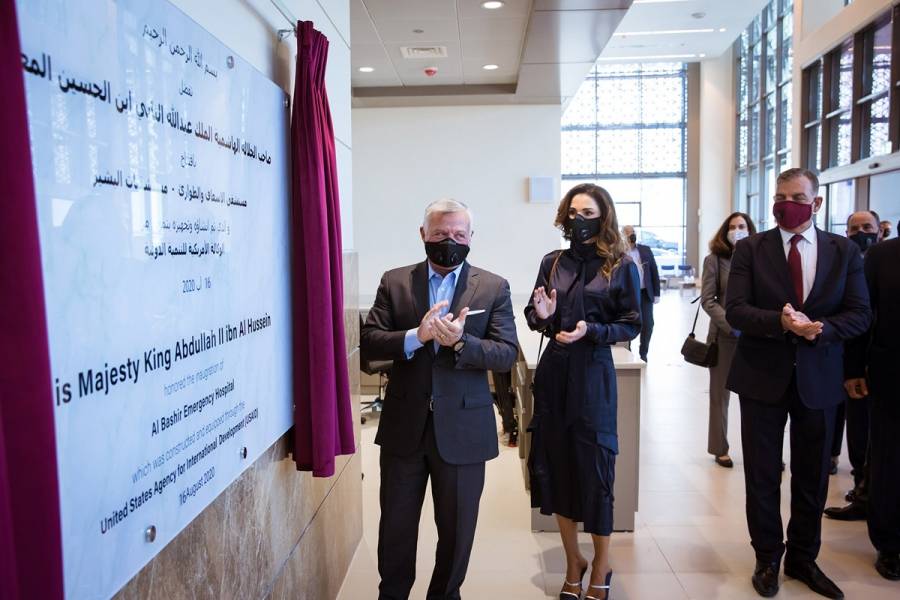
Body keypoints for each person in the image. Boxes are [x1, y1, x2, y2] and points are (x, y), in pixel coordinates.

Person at [361, 199, 518, 600]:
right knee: (395, 530)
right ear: (423, 235)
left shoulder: (493, 286)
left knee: (457, 532)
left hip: (464, 430)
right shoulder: (395, 281)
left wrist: (462, 342)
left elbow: (506, 353)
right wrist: (417, 336)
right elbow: (370, 343)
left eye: (458, 234)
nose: (450, 241)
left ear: (470, 237)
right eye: (440, 234)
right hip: (404, 429)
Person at [725, 168, 871, 599]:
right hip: (761, 377)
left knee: (813, 475)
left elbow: (860, 313)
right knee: (762, 474)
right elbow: (736, 309)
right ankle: (767, 556)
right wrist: (781, 322)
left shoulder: (843, 251)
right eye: (781, 197)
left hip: (819, 377)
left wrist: (819, 329)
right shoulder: (751, 248)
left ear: (817, 203)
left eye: (798, 197)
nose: (787, 205)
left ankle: (804, 558)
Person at [525, 183, 641, 600]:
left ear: (603, 216)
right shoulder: (552, 262)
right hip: (555, 373)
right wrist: (542, 316)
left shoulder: (620, 265)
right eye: (573, 212)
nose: (579, 219)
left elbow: (631, 323)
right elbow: (535, 315)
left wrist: (591, 330)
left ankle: (602, 564)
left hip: (593, 373)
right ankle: (574, 560)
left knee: (596, 470)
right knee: (556, 468)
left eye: (588, 213)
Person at [825, 210, 881, 511]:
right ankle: (861, 486)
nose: (861, 233)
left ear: (880, 230)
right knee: (853, 425)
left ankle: (873, 490)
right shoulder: (841, 262)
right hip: (844, 357)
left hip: (879, 360)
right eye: (855, 228)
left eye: (867, 227)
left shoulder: (884, 261)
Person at [853, 235, 900, 581]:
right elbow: (863, 316)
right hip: (892, 374)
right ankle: (890, 543)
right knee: (890, 460)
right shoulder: (883, 256)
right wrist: (854, 368)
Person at [701, 212, 756, 469]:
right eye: (732, 227)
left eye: (742, 226)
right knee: (720, 395)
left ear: (750, 229)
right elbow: (708, 300)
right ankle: (719, 448)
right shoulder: (714, 260)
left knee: (758, 397)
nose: (737, 231)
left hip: (756, 336)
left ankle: (762, 449)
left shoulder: (760, 258)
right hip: (724, 337)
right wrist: (733, 326)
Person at [622, 224, 660, 361]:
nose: (632, 234)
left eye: (633, 232)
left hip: (645, 293)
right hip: (627, 294)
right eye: (628, 232)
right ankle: (627, 350)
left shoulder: (645, 250)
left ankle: (643, 353)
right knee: (627, 322)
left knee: (648, 324)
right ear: (622, 235)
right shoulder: (619, 252)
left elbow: (654, 271)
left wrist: (656, 293)